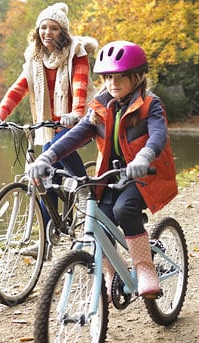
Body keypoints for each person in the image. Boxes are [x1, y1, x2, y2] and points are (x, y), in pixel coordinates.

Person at [27, 40, 177, 299]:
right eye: (107, 77)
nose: (112, 83)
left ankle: (145, 268)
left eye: (120, 77)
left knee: (124, 209)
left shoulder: (150, 104)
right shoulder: (101, 106)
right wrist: (48, 157)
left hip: (143, 175)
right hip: (110, 176)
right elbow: (76, 135)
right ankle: (111, 274)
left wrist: (145, 156)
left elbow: (158, 135)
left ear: (138, 78)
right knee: (98, 221)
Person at [0, 2, 99, 229]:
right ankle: (47, 236)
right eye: (43, 27)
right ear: (37, 31)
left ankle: (85, 190)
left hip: (82, 118)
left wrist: (75, 113)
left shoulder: (76, 53)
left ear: (62, 32)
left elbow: (80, 85)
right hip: (48, 124)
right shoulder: (34, 59)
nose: (47, 33)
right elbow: (18, 89)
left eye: (54, 28)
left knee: (48, 152)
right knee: (46, 178)